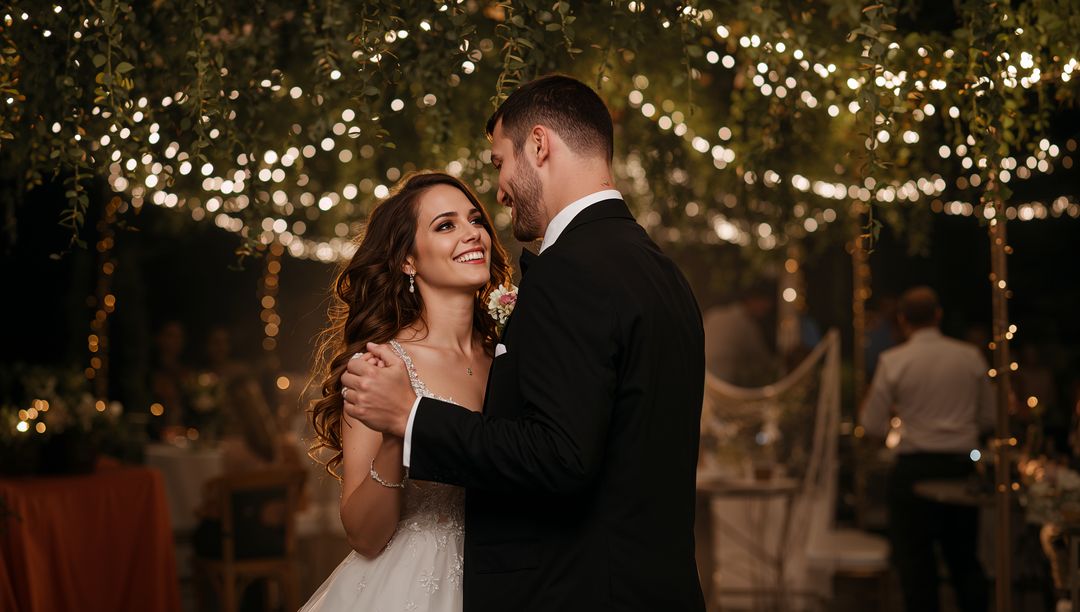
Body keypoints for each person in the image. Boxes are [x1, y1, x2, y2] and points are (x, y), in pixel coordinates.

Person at [341, 75, 707, 611]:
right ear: (406, 260)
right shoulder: (664, 273)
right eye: (445, 225)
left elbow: (561, 455)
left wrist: (413, 419)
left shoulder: (570, 271)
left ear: (538, 146)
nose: (498, 192)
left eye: (499, 163)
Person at [299, 171, 513, 611]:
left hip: (505, 578)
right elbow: (364, 536)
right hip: (410, 588)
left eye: (475, 219)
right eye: (446, 225)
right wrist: (400, 428)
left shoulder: (510, 358)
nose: (473, 233)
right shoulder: (381, 365)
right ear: (408, 261)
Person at [860, 286, 994, 612]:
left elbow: (872, 424)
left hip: (913, 471)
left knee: (916, 568)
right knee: (964, 560)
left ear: (902, 320)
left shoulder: (894, 361)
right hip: (960, 469)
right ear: (938, 315)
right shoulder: (969, 357)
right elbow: (989, 418)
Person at [703, 282, 777, 387]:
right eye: (764, 306)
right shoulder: (746, 324)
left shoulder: (714, 313)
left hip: (703, 380)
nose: (765, 312)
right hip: (722, 384)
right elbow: (763, 360)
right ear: (752, 300)